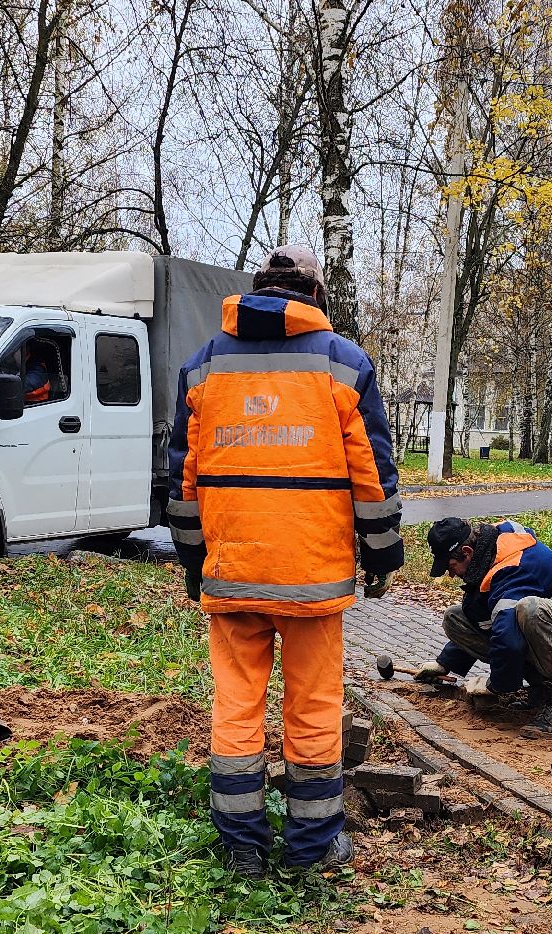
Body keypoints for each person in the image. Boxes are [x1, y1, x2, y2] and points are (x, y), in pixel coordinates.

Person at [166, 244, 403, 878]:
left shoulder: (204, 367)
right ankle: (312, 843)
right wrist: (382, 552)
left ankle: (243, 843)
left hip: (233, 569)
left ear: (255, 292)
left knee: (237, 705)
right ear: (316, 298)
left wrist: (195, 560)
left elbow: (183, 480)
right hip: (312, 576)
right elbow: (372, 474)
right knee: (314, 706)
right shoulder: (342, 364)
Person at [414, 516, 552, 720]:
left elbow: (508, 639)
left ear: (467, 553)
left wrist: (495, 685)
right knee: (455, 617)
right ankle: (541, 690)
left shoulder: (513, 566)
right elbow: (481, 617)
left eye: (451, 567)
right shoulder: (487, 548)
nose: (451, 575)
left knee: (531, 609)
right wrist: (444, 663)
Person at [22, 339, 64, 405]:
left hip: (37, 408)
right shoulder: (16, 365)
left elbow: (28, 383)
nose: (11, 355)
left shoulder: (37, 366)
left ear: (25, 350)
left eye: (14, 351)